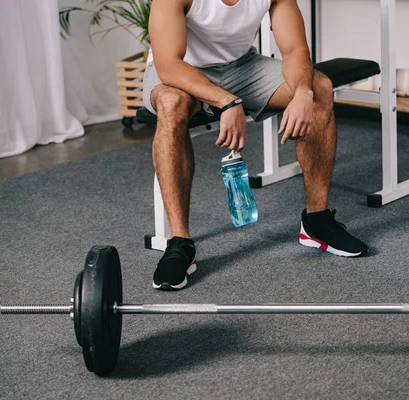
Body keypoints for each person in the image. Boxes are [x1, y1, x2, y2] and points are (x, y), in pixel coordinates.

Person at [144, 0, 369, 291]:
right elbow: (168, 65)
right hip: (182, 73)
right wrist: (227, 101)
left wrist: (303, 92)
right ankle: (179, 243)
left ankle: (317, 221)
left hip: (242, 68)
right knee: (172, 105)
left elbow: (295, 50)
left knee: (320, 88)